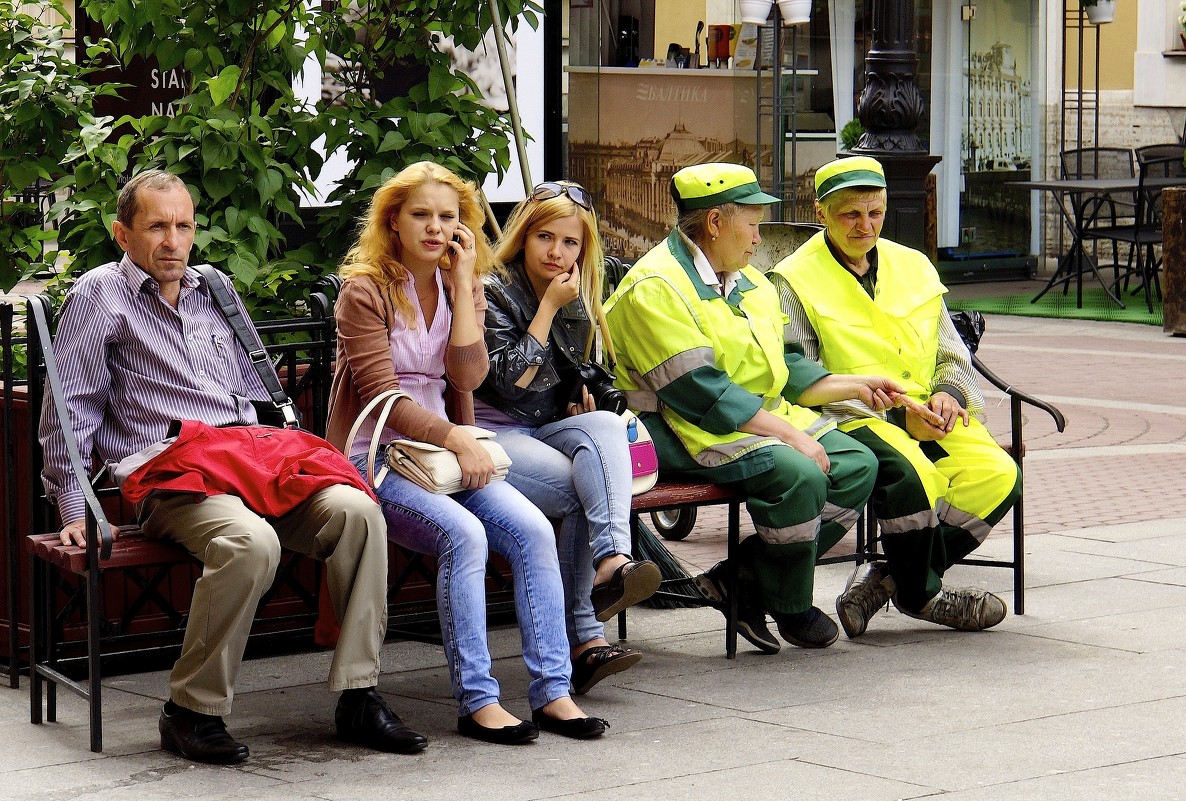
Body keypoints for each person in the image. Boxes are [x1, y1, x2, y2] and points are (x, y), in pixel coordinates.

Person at [39, 169, 423, 765]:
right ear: (123, 234)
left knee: (357, 513)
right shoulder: (99, 297)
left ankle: (357, 694)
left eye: (183, 226)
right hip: (171, 476)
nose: (173, 241)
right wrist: (74, 507)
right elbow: (69, 412)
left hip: (250, 461)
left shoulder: (214, 288)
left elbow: (255, 392)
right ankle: (192, 710)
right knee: (250, 543)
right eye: (156, 227)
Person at [324, 161, 607, 743]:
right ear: (393, 222)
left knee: (530, 530)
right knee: (466, 535)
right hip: (376, 455)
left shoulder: (465, 285)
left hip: (448, 456)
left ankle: (553, 693)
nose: (434, 228)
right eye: (420, 215)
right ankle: (478, 700)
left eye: (447, 216)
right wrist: (457, 436)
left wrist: (460, 288)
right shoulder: (365, 289)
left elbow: (469, 376)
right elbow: (381, 398)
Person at [603, 162, 905, 652]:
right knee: (800, 474)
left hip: (747, 420)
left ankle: (742, 579)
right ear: (715, 223)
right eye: (753, 223)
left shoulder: (750, 282)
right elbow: (702, 392)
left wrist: (853, 385)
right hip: (677, 427)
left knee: (856, 465)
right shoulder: (656, 287)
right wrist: (790, 435)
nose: (759, 236)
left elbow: (784, 363)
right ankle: (789, 604)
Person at [768, 155, 1022, 637]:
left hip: (930, 408)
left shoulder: (915, 267)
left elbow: (952, 351)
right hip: (853, 418)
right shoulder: (794, 278)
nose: (866, 226)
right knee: (913, 479)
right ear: (821, 212)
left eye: (876, 213)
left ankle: (888, 582)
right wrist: (904, 421)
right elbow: (799, 376)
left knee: (1001, 476)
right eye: (851, 215)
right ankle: (923, 594)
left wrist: (948, 395)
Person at [475, 180, 660, 695]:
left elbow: (575, 375)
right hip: (495, 431)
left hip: (545, 427)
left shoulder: (578, 293)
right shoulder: (494, 289)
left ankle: (613, 559)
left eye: (570, 243)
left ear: (585, 248)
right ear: (523, 238)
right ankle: (584, 636)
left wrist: (587, 397)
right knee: (584, 486)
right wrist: (550, 309)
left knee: (603, 428)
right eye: (545, 239)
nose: (557, 253)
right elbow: (508, 383)